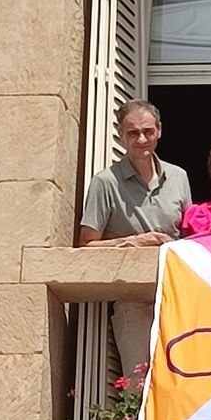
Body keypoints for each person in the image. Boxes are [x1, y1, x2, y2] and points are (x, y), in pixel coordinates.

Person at [78, 99, 191, 376]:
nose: (141, 139)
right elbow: (86, 245)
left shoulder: (179, 176)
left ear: (159, 131)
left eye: (148, 131)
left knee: (181, 383)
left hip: (176, 295)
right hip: (133, 301)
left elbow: (190, 235)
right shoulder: (105, 182)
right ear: (120, 135)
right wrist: (134, 242)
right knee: (138, 386)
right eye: (133, 133)